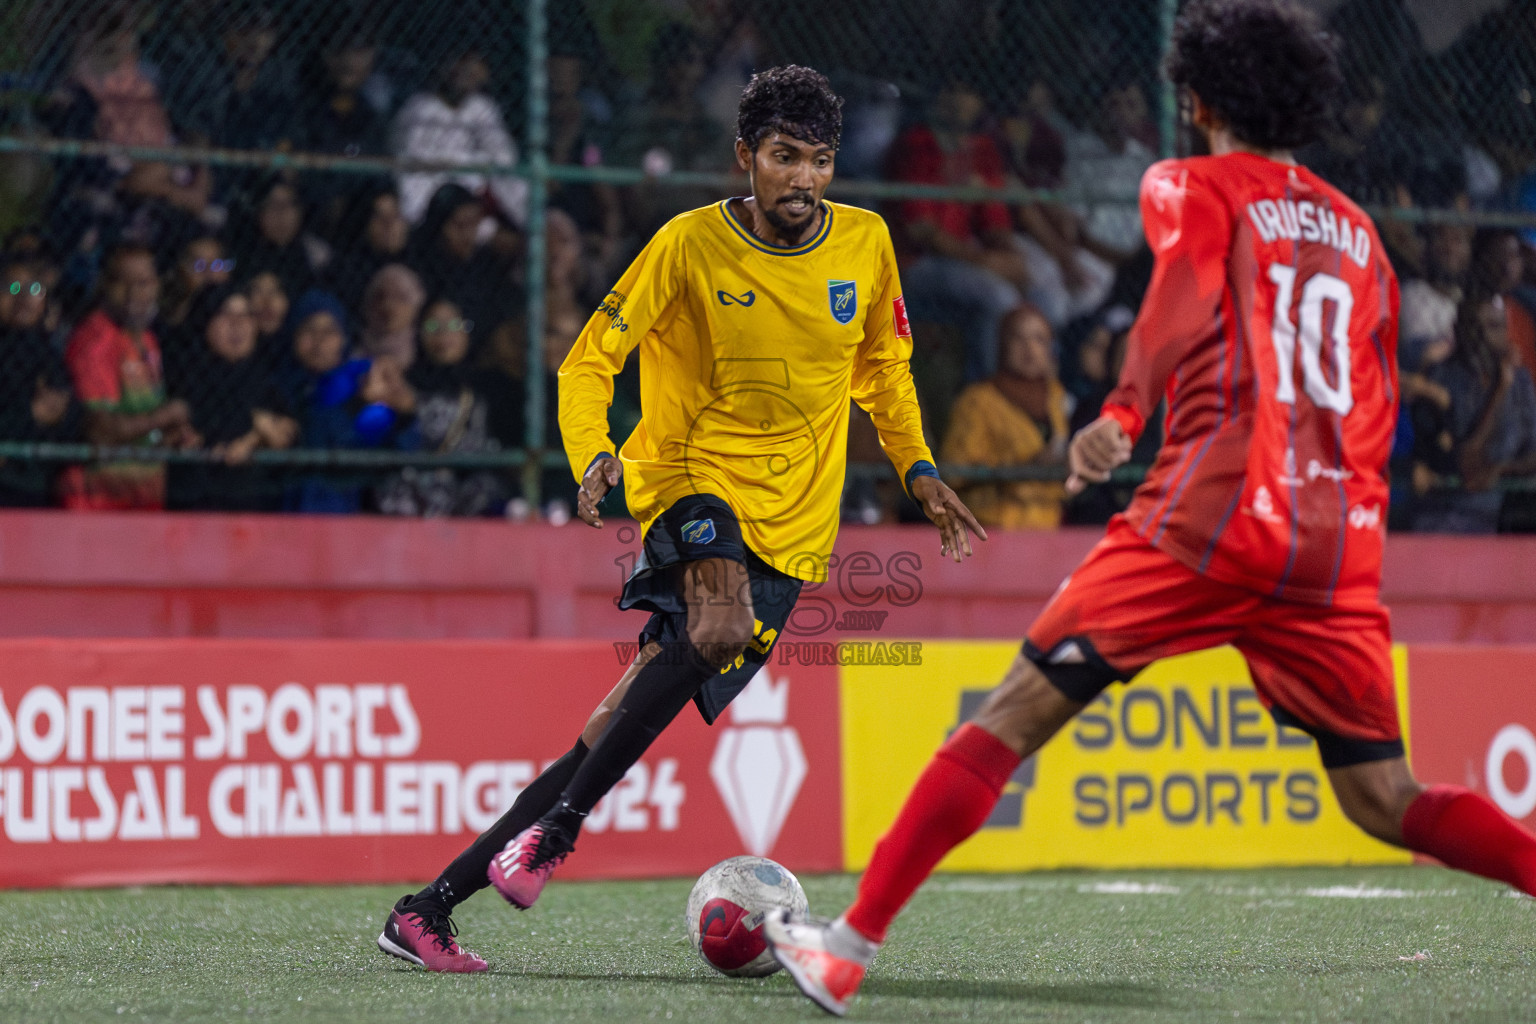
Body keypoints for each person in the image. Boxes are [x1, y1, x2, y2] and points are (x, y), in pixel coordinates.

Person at [765, 3, 1536, 1015]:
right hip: (1332, 547)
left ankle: (847, 946)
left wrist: (1123, 411)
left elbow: (1176, 290)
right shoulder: (1361, 233)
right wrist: (1345, 531)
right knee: (1386, 798)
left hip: (1211, 518)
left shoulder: (1190, 182)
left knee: (1009, 715)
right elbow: (1373, 402)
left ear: (1199, 97)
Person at [375, 64, 985, 973]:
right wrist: (596, 459)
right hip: (689, 481)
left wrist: (920, 468)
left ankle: (426, 911)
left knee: (615, 728)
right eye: (784, 158)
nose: (804, 180)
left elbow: (883, 370)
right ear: (746, 156)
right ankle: (563, 832)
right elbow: (589, 364)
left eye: (819, 161)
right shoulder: (688, 245)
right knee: (718, 622)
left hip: (794, 529)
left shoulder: (865, 243)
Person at [892, 77, 1031, 383]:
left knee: (1042, 287)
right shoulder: (917, 144)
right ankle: (989, 391)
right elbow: (922, 232)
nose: (960, 101)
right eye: (951, 90)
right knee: (998, 294)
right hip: (916, 263)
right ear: (938, 99)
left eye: (968, 92)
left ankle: (1041, 387)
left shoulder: (981, 148)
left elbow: (994, 221)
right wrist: (988, 263)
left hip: (966, 256)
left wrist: (1012, 258)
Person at [60, 244, 200, 510]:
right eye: (121, 283)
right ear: (104, 285)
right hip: (97, 503)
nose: (133, 294)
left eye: (143, 283)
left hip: (142, 498)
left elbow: (146, 426)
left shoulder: (146, 337)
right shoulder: (96, 339)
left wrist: (171, 434)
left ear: (158, 285)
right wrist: (165, 417)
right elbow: (100, 431)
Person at [1411, 292, 1536, 533]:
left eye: (1494, 326)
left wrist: (1501, 469)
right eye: (1474, 327)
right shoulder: (1441, 378)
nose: (1482, 338)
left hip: (1502, 514)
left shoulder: (1521, 382)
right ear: (1458, 330)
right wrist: (1500, 391)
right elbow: (1469, 466)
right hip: (1446, 515)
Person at [165, 284, 298, 510]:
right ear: (204, 322)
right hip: (192, 508)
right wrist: (259, 430)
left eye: (246, 315)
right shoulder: (181, 379)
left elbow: (288, 432)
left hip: (255, 510)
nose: (238, 324)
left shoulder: (267, 381)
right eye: (225, 314)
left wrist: (253, 439)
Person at [940, 304, 1071, 529]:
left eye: (1039, 339)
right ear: (1003, 345)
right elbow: (953, 472)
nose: (1029, 349)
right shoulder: (978, 401)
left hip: (1048, 530)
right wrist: (1022, 467)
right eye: (1018, 339)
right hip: (993, 528)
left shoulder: (1055, 396)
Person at [391, 48, 526, 227]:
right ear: (442, 66)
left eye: (476, 62)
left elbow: (504, 160)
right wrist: (476, 164)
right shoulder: (420, 109)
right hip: (433, 214)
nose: (469, 69)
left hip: (479, 208)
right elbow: (414, 177)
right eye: (461, 61)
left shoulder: (483, 108)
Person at [0, 256, 80, 506]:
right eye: (12, 288)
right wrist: (32, 413)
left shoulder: (49, 354)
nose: (23, 299)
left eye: (35, 289)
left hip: (38, 485)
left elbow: (67, 415)